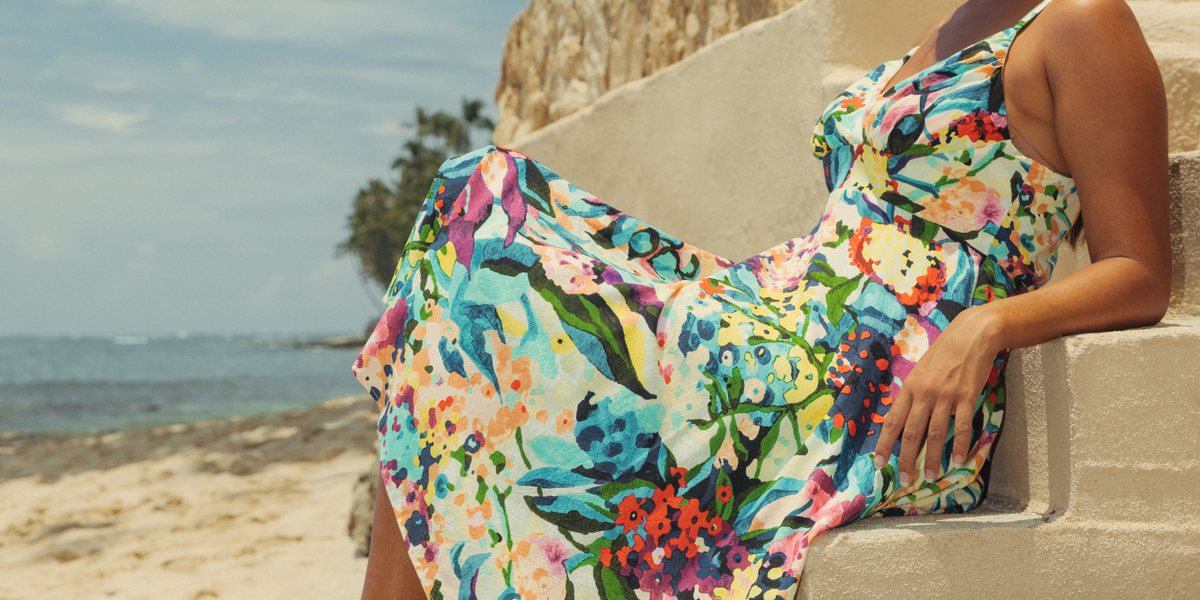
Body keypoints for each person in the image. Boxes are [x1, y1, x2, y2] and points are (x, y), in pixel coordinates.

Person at [357, 0, 1171, 597]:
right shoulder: (949, 26)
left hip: (862, 378)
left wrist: (987, 324)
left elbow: (1139, 270)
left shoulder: (1079, 23)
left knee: (484, 266)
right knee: (474, 202)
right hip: (780, 312)